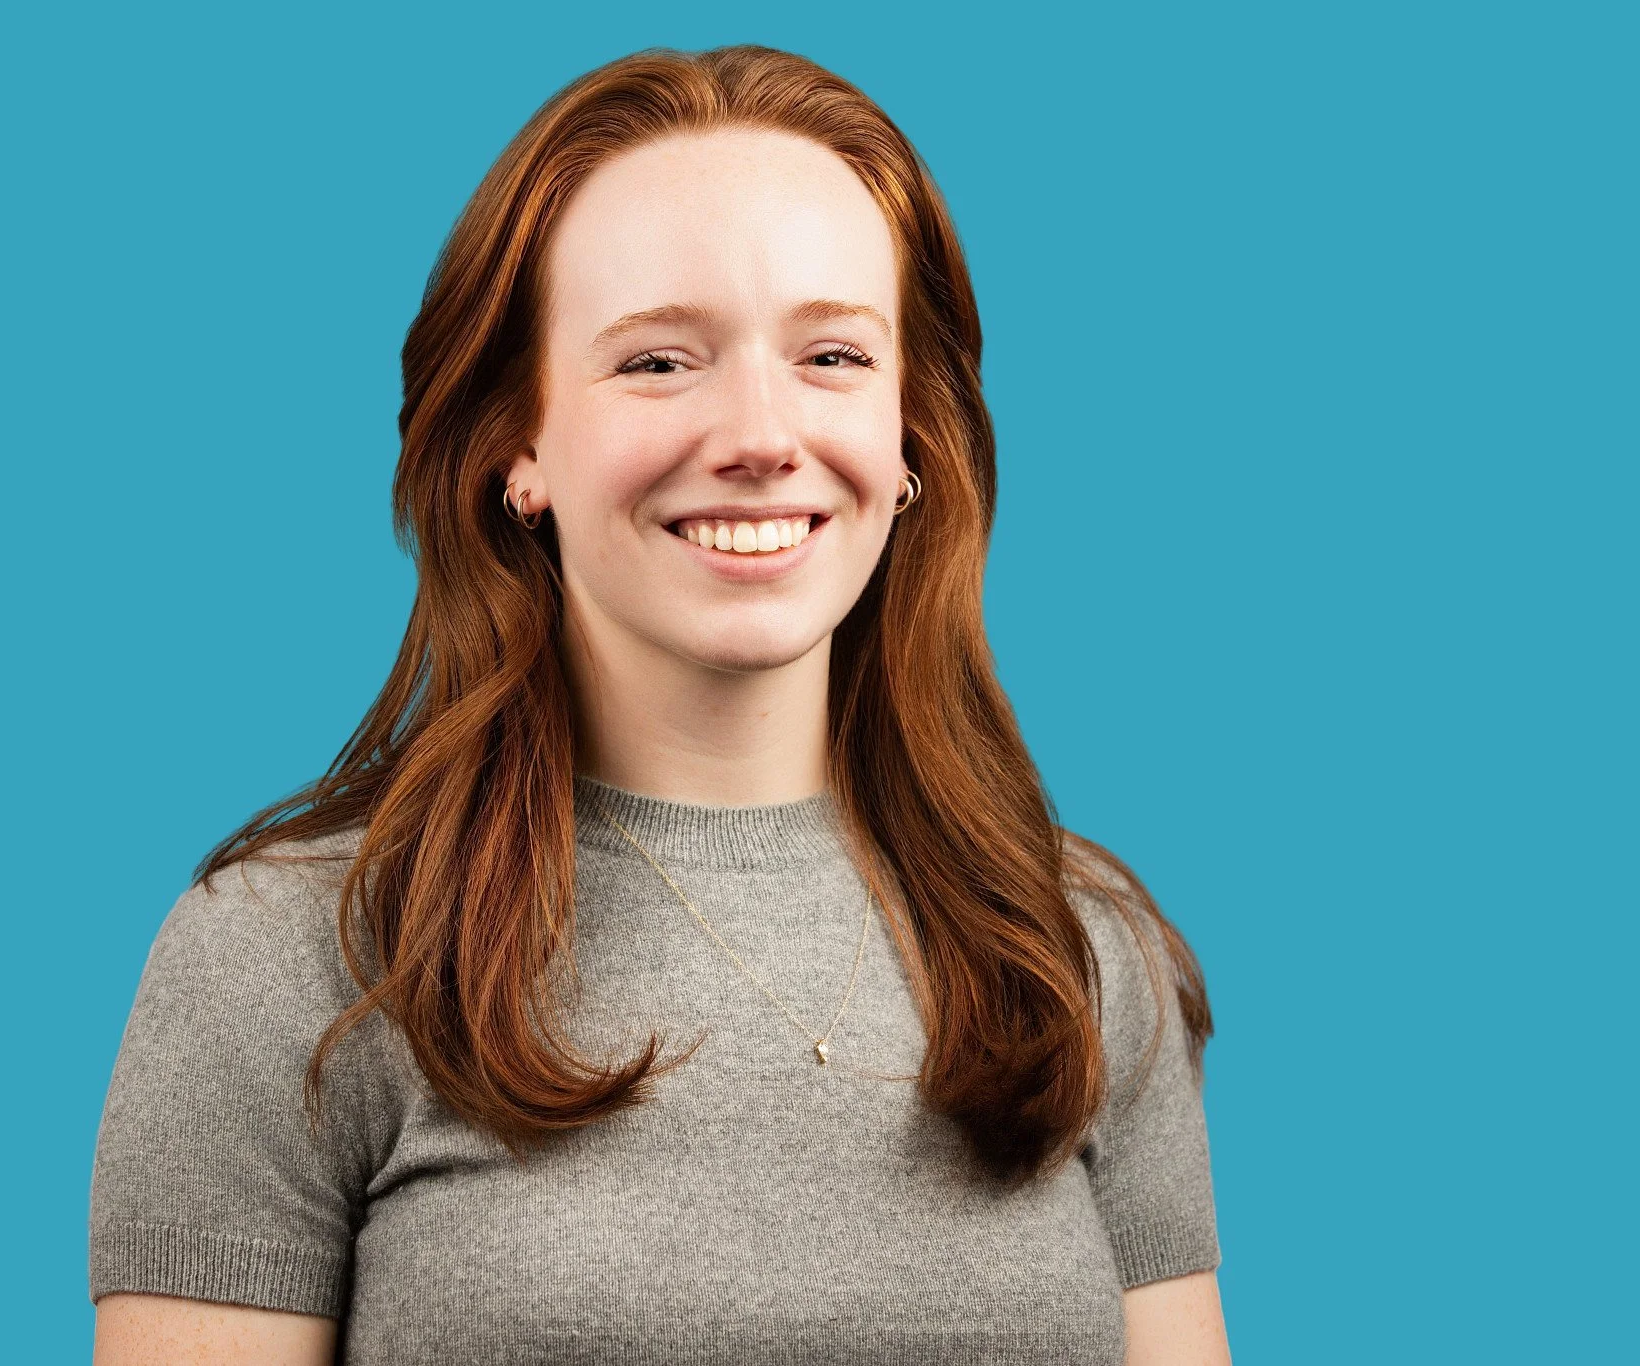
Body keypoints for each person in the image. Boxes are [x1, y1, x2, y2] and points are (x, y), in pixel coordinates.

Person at [89, 43, 1228, 1366]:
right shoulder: (296, 953)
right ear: (521, 444)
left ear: (911, 437)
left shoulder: (1081, 948)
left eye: (835, 354)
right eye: (659, 363)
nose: (759, 433)